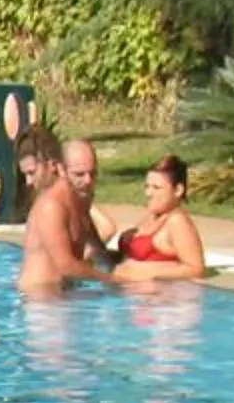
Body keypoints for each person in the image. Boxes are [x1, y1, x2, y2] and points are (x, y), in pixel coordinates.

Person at [15, 125, 102, 295]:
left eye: (32, 173)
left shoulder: (76, 202)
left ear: (53, 166)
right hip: (42, 303)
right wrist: (115, 280)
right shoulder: (50, 206)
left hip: (58, 301)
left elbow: (99, 251)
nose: (28, 182)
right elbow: (66, 266)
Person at [107, 153, 210, 283]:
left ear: (178, 190)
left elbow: (196, 269)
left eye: (156, 188)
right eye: (147, 186)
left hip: (154, 299)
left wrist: (149, 273)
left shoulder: (177, 222)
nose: (148, 193)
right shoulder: (153, 216)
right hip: (132, 297)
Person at [59, 138, 118, 274]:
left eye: (93, 174)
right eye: (79, 174)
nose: (88, 181)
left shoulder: (80, 207)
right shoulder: (54, 211)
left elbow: (100, 249)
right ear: (61, 170)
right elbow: (65, 268)